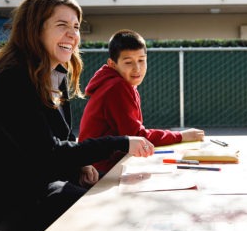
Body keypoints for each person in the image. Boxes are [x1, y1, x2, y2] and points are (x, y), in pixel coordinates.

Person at [0, 0, 155, 231]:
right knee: (116, 217)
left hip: (46, 186)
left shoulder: (55, 74)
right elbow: (47, 153)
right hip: (13, 206)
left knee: (127, 202)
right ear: (35, 29)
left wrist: (81, 165)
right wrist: (122, 141)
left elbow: (64, 138)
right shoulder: (9, 80)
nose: (73, 35)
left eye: (76, 27)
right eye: (62, 25)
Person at [79, 29, 204, 174]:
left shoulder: (119, 83)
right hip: (97, 172)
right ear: (112, 64)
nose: (137, 68)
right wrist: (181, 136)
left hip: (103, 165)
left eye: (141, 60)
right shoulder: (116, 87)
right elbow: (136, 137)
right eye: (128, 62)